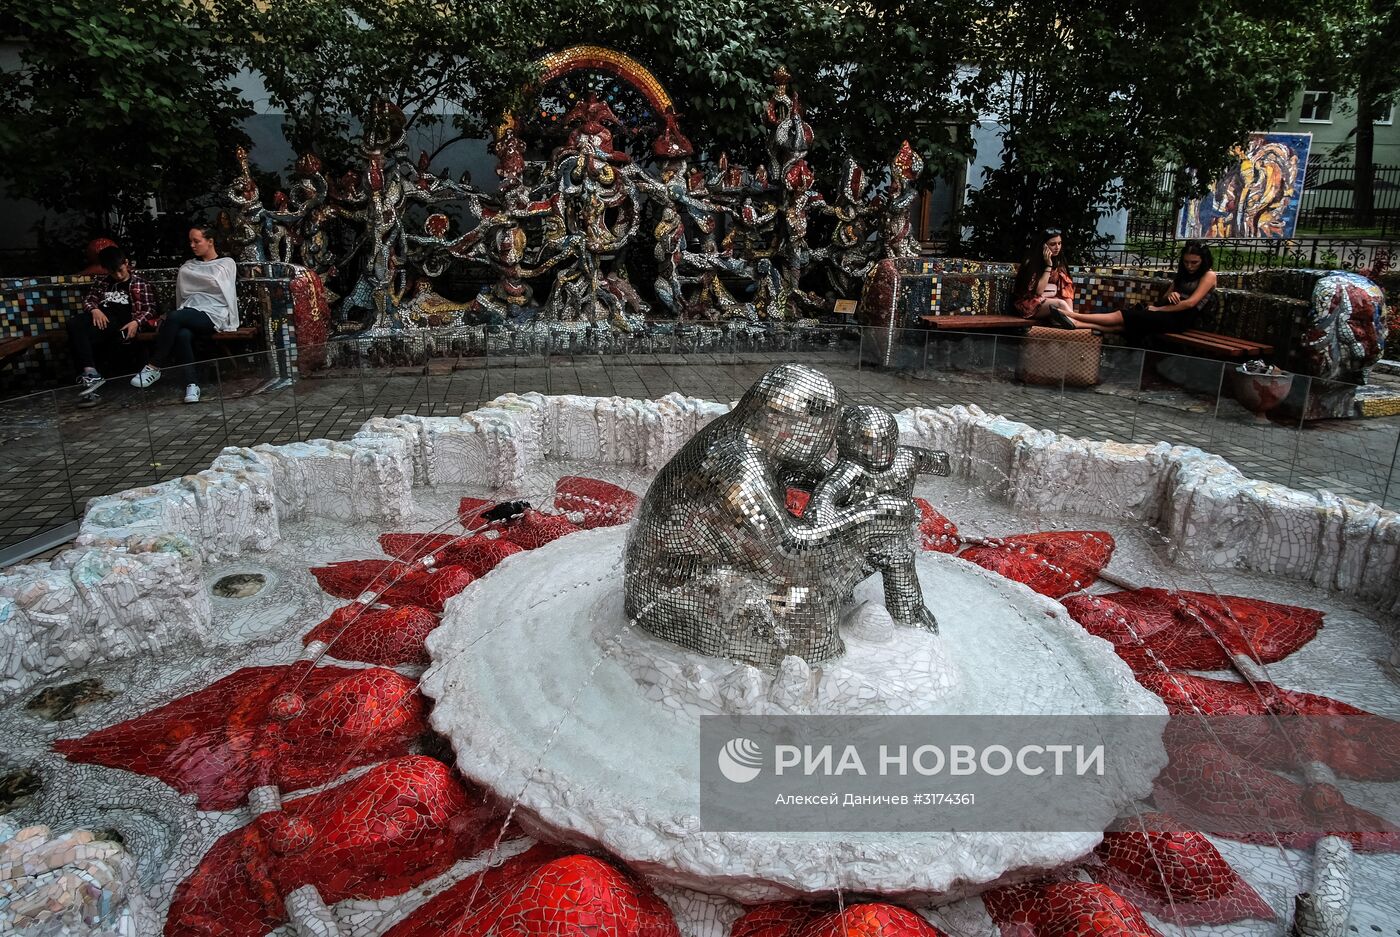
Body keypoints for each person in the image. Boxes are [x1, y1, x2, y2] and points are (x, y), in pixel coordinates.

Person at [808, 405, 950, 633]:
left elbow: (818, 515)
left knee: (840, 588)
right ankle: (909, 616)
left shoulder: (851, 471)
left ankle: (906, 615)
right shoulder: (905, 458)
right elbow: (942, 463)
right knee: (892, 577)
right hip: (879, 546)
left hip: (868, 547)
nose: (877, 451)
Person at [130, 226, 238, 404]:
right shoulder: (188, 266)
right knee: (182, 334)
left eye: (197, 241)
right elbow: (184, 292)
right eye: (191, 242)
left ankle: (155, 365)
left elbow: (223, 289)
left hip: (213, 313)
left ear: (210, 241)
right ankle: (192, 385)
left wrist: (201, 283)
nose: (192, 245)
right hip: (189, 311)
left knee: (174, 317)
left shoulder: (226, 263)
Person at [1063, 242, 1218, 341]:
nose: (1190, 266)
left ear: (1203, 261)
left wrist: (1158, 309)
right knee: (1123, 326)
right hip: (1166, 312)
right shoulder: (1183, 274)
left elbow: (1190, 303)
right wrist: (1171, 294)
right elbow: (1165, 296)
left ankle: (1074, 315)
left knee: (1123, 315)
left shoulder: (1209, 275)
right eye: (1186, 262)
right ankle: (1078, 324)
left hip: (1181, 319)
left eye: (1194, 263)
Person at [70, 245, 155, 402]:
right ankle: (91, 372)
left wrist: (136, 322)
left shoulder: (139, 283)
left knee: (81, 339)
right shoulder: (102, 282)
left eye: (120, 270)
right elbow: (89, 300)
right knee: (74, 325)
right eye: (112, 272)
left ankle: (90, 381)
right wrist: (94, 310)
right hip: (100, 318)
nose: (117, 275)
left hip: (120, 322)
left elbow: (150, 309)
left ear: (126, 263)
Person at [1012, 229, 1077, 327]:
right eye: (1053, 244)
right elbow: (1038, 291)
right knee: (1060, 304)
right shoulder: (1032, 263)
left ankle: (1077, 322)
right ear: (1043, 245)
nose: (1057, 247)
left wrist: (1070, 310)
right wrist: (1048, 265)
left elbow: (1066, 291)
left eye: (1059, 243)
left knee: (1064, 307)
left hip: (1049, 300)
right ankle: (1083, 323)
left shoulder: (1059, 262)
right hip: (1030, 303)